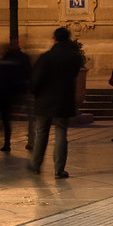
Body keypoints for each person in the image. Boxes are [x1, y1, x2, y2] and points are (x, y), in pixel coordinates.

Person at [29, 27, 84, 179]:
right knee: (61, 132)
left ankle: (35, 165)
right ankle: (59, 170)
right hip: (63, 100)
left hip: (44, 101)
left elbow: (36, 79)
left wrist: (35, 93)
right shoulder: (75, 58)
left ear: (55, 38)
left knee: (41, 133)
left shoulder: (46, 57)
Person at [0, 41, 31, 153]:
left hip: (6, 93)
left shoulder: (5, 59)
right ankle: (8, 141)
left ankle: (7, 141)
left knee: (5, 119)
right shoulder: (20, 58)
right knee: (7, 119)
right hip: (13, 93)